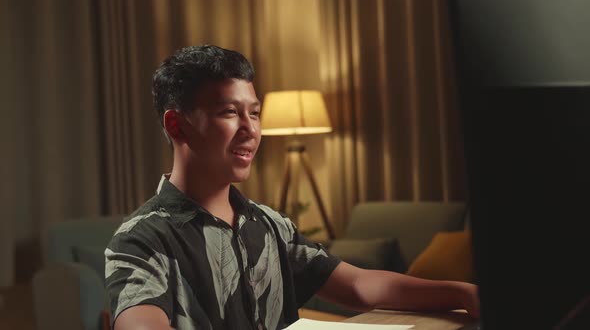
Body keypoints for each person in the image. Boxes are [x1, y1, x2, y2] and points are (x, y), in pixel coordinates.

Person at [105, 44, 479, 330]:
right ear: (176, 125)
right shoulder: (142, 239)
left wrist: (462, 292)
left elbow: (360, 286)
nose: (251, 130)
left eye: (254, 112)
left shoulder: (270, 225)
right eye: (229, 112)